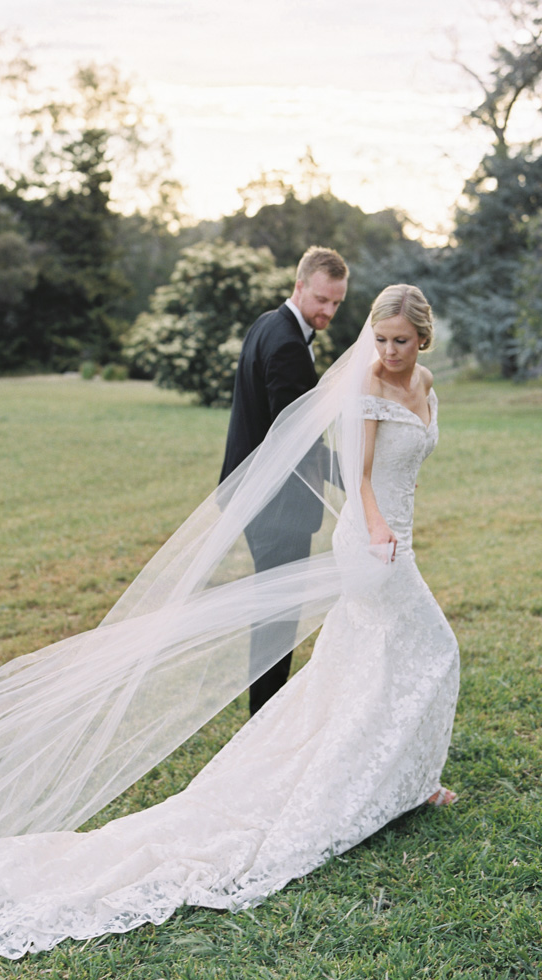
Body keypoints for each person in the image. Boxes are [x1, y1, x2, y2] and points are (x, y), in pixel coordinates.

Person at [0, 285, 458, 959]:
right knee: (429, 646)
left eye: (399, 341)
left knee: (374, 659)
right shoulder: (366, 383)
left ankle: (399, 777)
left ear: (422, 339)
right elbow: (358, 475)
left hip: (400, 538)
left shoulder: (422, 383)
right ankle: (381, 781)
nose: (387, 352)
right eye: (380, 339)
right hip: (373, 543)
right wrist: (376, 528)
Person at [220, 246, 349, 714]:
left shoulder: (265, 325)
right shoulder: (288, 346)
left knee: (271, 614)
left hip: (256, 498)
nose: (328, 311)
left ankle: (264, 714)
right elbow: (299, 441)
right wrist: (358, 479)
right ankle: (264, 718)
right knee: (277, 620)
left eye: (336, 303)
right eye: (321, 299)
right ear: (299, 286)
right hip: (277, 506)